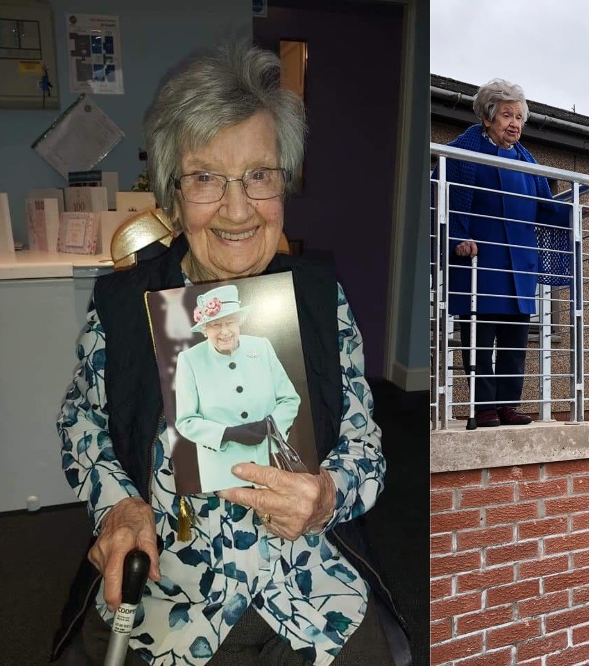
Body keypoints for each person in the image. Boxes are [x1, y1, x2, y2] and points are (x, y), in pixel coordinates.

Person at [53, 42, 406, 664]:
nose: (237, 209)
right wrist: (119, 508)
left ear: (283, 184)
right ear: (173, 192)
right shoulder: (124, 308)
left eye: (259, 176)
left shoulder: (321, 301)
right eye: (206, 178)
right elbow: (81, 423)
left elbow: (364, 442)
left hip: (310, 596)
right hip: (167, 600)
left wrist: (329, 493)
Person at [443, 78, 589, 428]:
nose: (514, 123)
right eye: (506, 115)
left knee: (515, 342)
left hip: (519, 266)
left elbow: (545, 208)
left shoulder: (527, 162)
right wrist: (457, 239)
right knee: (480, 342)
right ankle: (483, 408)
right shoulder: (462, 154)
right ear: (487, 118)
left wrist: (577, 210)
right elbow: (445, 203)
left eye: (518, 117)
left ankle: (507, 406)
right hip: (480, 263)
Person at [175, 284, 301, 493]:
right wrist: (227, 433)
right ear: (205, 329)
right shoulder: (189, 360)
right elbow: (186, 421)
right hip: (220, 473)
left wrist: (270, 427)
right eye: (215, 325)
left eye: (230, 322)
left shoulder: (262, 346)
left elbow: (289, 399)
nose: (224, 331)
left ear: (240, 322)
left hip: (269, 462)